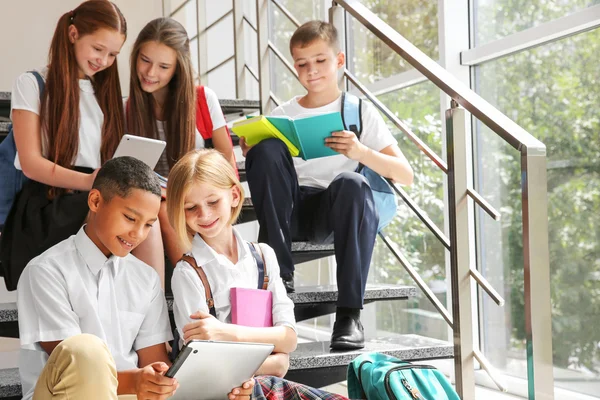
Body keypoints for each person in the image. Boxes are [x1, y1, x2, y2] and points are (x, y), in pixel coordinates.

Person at [17, 156, 254, 400]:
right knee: (86, 349)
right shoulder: (46, 271)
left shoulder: (146, 278)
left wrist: (163, 381)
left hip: (130, 395)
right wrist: (137, 381)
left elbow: (155, 367)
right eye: (130, 218)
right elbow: (77, 368)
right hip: (65, 394)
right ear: (95, 201)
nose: (137, 234)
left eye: (149, 225)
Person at [240, 20, 414, 350]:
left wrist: (360, 151)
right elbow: (271, 175)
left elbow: (405, 174)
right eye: (302, 64)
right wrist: (257, 155)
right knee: (265, 149)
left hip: (336, 211)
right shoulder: (283, 113)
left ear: (339, 60)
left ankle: (348, 315)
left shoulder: (359, 111)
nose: (312, 71)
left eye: (320, 60)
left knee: (351, 182)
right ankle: (282, 280)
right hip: (290, 210)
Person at [0, 0, 165, 289]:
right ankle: (151, 313)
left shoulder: (105, 92)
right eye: (98, 49)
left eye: (113, 54)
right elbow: (30, 163)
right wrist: (90, 181)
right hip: (50, 200)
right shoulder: (33, 84)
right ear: (73, 34)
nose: (103, 61)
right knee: (134, 217)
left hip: (97, 195)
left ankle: (153, 308)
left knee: (150, 210)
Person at [168, 149, 296, 378]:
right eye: (191, 208)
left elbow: (289, 338)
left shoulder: (264, 257)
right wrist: (273, 361)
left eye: (213, 201)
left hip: (262, 387)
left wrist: (225, 332)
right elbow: (205, 361)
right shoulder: (188, 273)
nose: (204, 214)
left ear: (235, 195)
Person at [126, 17, 236, 266]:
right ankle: (192, 278)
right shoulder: (128, 109)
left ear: (178, 68)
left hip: (196, 194)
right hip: (154, 199)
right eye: (145, 61)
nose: (151, 73)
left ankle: (196, 278)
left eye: (164, 66)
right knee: (159, 208)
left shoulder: (203, 99)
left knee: (166, 208)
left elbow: (225, 160)